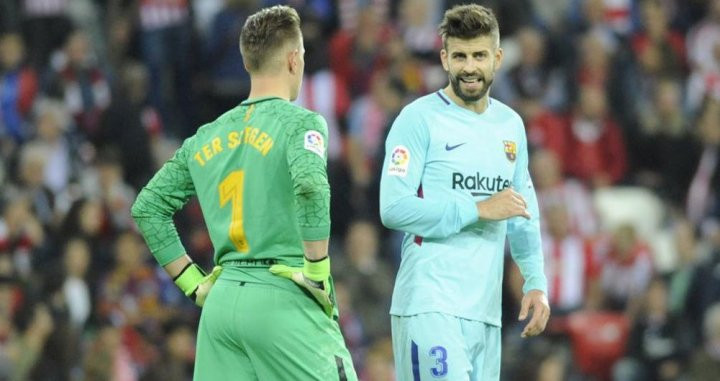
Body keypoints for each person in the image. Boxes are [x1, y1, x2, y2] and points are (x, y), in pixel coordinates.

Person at [130, 5, 357, 380]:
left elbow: (147, 208)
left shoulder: (206, 135)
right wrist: (317, 272)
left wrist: (193, 283)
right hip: (283, 297)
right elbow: (311, 185)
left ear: (246, 61)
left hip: (221, 307)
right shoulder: (301, 123)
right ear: (294, 59)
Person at [379, 4, 550, 380]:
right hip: (430, 303)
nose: (469, 67)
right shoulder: (418, 119)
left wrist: (535, 282)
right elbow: (393, 208)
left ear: (497, 58)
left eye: (479, 55)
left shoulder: (510, 125)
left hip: (485, 314)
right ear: (444, 58)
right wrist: (477, 209)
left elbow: (523, 211)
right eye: (459, 56)